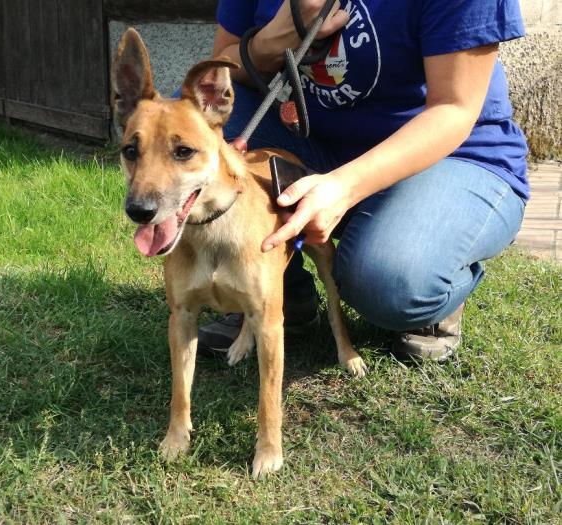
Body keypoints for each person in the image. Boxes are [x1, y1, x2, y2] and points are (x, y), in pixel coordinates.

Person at [197, 0, 528, 361]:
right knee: (193, 136)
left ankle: (434, 274)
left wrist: (343, 186)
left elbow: (454, 108)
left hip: (451, 156)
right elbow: (223, 72)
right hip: (316, 144)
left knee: (387, 282)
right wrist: (274, 40)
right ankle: (281, 292)